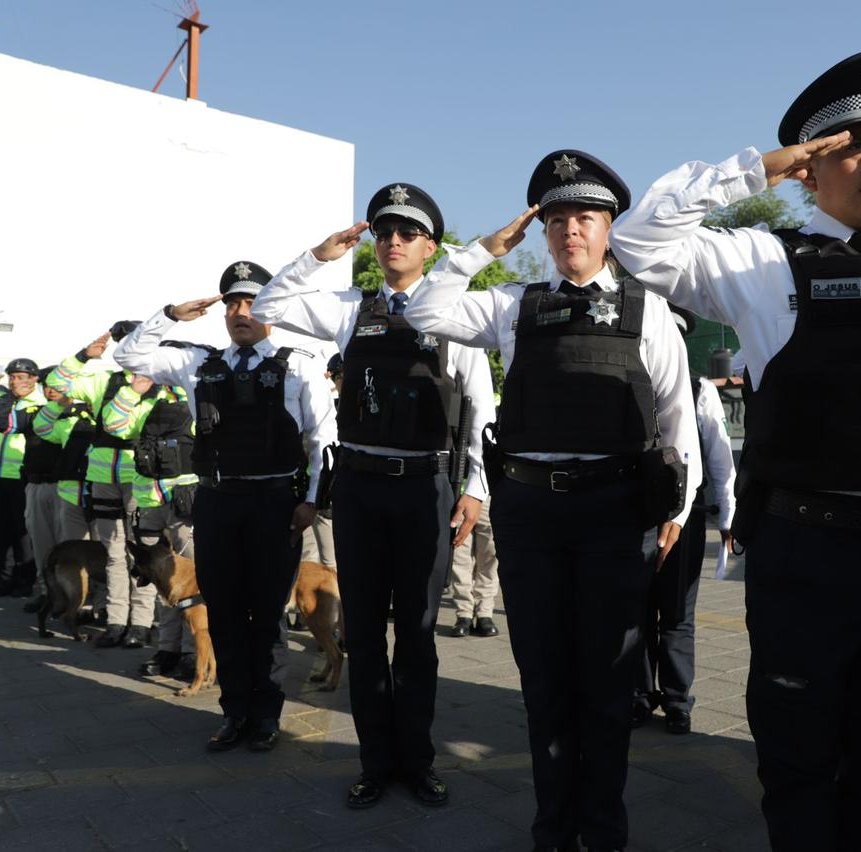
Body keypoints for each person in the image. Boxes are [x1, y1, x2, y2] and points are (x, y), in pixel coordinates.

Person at [607, 51, 861, 852]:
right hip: (808, 559)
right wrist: (754, 169)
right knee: (798, 768)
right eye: (853, 144)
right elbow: (639, 239)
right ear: (809, 168)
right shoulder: (765, 263)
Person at [404, 150, 700, 852]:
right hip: (534, 516)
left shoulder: (649, 313)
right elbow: (425, 307)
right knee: (543, 679)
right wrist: (482, 249)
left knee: (607, 683)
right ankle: (552, 825)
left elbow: (677, 419)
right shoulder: (514, 305)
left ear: (608, 229)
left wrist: (678, 514)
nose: (572, 230)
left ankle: (603, 828)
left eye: (586, 217)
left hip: (615, 514)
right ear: (543, 231)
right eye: (559, 218)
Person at [250, 182, 494, 809]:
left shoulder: (457, 313)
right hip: (359, 487)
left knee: (416, 634)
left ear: (431, 248)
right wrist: (317, 256)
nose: (392, 241)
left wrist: (475, 490)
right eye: (385, 231)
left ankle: (418, 760)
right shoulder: (350, 308)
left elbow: (479, 410)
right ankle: (374, 761)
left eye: (407, 233)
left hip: (423, 489)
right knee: (363, 628)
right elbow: (269, 304)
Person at [113, 260, 336, 753]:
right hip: (218, 503)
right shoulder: (199, 362)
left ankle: (266, 715)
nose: (240, 312)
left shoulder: (298, 363)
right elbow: (128, 358)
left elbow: (324, 438)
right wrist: (170, 315)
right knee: (228, 615)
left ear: (271, 309)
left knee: (267, 617)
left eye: (252, 301)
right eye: (233, 302)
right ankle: (234, 711)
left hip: (275, 505)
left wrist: (313, 501)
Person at [632, 306, 736, 736]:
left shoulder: (700, 391)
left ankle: (677, 700)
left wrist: (729, 515)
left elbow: (719, 456)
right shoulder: (626, 387)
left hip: (685, 514)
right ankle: (639, 695)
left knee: (677, 612)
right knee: (634, 612)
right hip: (632, 516)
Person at [48, 330, 157, 648]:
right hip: (102, 479)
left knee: (141, 554)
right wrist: (84, 355)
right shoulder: (103, 380)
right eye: (127, 342)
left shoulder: (162, 383)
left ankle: (141, 622)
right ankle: (115, 620)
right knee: (113, 555)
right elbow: (57, 384)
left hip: (139, 480)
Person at [100, 373, 200, 679]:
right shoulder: (146, 406)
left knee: (194, 583)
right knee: (159, 581)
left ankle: (192, 651)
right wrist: (133, 391)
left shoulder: (197, 405)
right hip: (149, 505)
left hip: (186, 506)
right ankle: (168, 648)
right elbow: (112, 424)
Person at [21, 366, 95, 614]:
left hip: (70, 490)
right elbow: (29, 426)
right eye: (46, 386)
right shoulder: (43, 413)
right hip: (41, 485)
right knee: (43, 546)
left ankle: (79, 601)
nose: (51, 390)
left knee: (73, 550)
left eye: (56, 385)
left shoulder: (85, 413)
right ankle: (48, 594)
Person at [0, 358, 44, 597]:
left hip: (20, 476)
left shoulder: (41, 402)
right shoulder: (0, 399)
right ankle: (4, 577)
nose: (16, 381)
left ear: (34, 379)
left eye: (22, 377)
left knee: (22, 532)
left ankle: (25, 579)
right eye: (12, 377)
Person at [448, 495, 498, 638]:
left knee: (490, 557)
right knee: (460, 557)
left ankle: (485, 613)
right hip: (459, 497)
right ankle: (464, 614)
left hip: (488, 495)